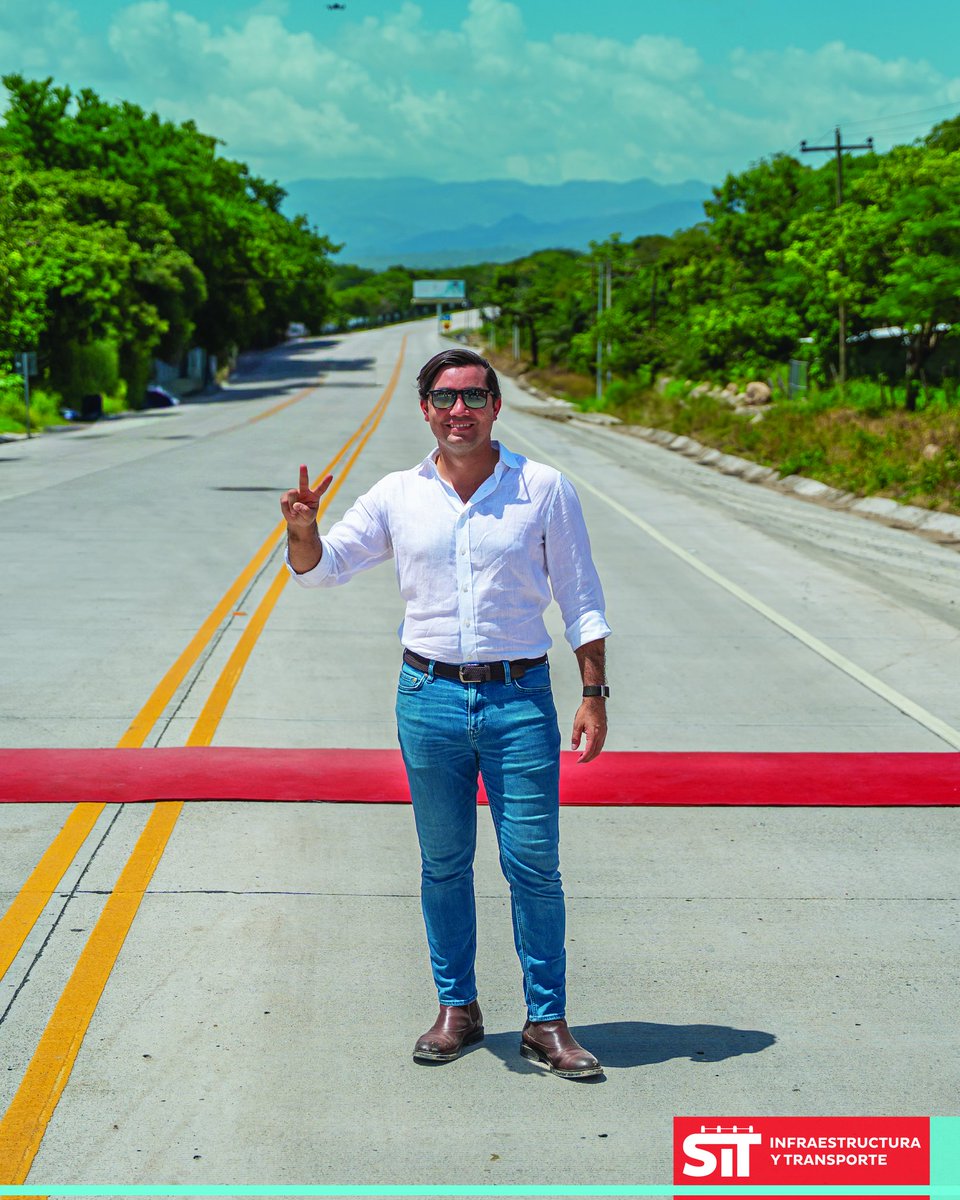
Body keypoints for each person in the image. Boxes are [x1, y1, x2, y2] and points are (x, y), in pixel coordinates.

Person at [281, 347, 611, 1079]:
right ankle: (457, 1009)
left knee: (534, 865)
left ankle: (547, 1020)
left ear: (496, 406)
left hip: (520, 699)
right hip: (426, 698)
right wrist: (304, 529)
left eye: (473, 396)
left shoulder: (543, 488)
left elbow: (581, 597)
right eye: (444, 397)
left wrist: (594, 693)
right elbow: (322, 570)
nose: (459, 410)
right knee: (444, 863)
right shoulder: (397, 494)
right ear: (425, 410)